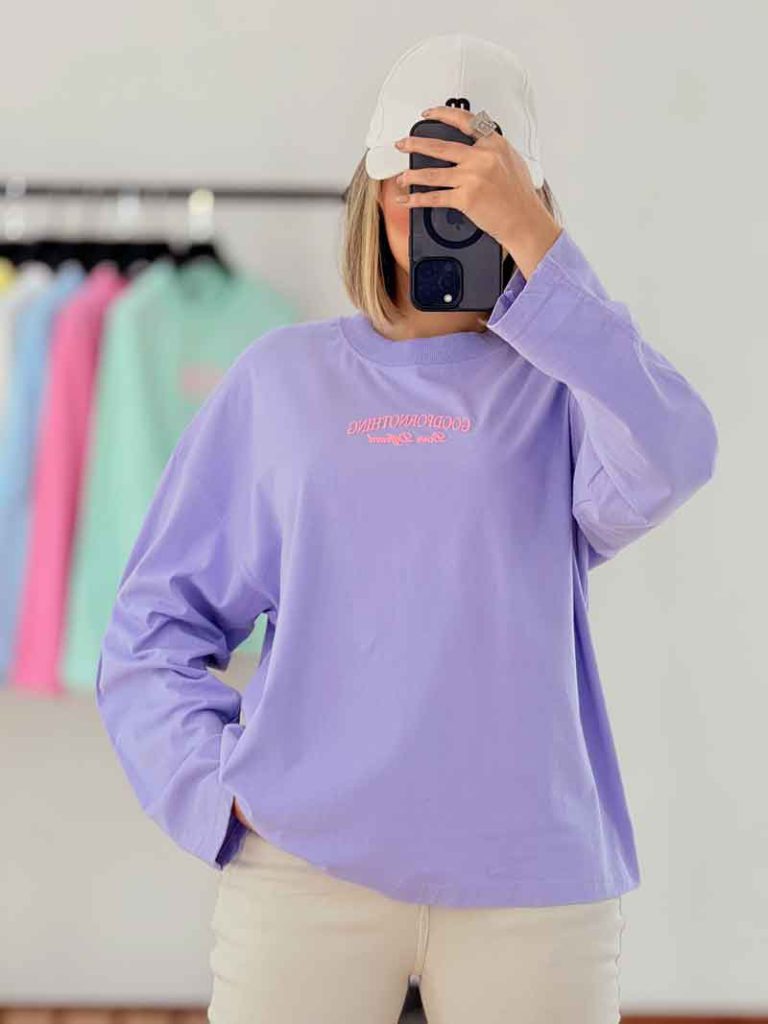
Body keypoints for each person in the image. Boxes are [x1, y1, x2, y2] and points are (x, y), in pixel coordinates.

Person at [95, 33, 718, 1024]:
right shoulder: (282, 381)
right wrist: (217, 789)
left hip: (534, 887)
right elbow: (150, 629)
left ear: (526, 202)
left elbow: (677, 450)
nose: (434, 207)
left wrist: (544, 258)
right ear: (371, 193)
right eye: (412, 178)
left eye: (474, 187)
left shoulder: (569, 389)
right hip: (304, 877)